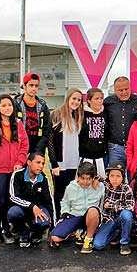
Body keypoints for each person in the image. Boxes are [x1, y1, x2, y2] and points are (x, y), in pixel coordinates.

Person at [0, 94, 29, 244]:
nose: (7, 108)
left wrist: (20, 161)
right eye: (3, 105)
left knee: (10, 200)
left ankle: (6, 229)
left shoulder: (18, 124)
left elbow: (24, 145)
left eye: (9, 105)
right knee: (0, 199)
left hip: (14, 168)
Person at [50, 162, 104, 253]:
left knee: (93, 210)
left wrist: (99, 179)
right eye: (82, 178)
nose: (85, 182)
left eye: (88, 179)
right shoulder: (71, 187)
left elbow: (111, 185)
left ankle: (88, 239)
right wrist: (65, 213)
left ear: (93, 178)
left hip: (91, 216)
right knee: (55, 238)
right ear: (77, 177)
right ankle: (78, 231)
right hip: (75, 215)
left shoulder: (99, 186)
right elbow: (65, 202)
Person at [48, 88, 84, 219]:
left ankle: (69, 221)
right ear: (68, 98)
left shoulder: (78, 116)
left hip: (74, 163)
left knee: (71, 193)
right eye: (74, 98)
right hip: (60, 163)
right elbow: (50, 141)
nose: (76, 102)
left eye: (79, 100)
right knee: (59, 194)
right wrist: (54, 163)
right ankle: (58, 219)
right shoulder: (56, 115)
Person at [8, 152, 53, 248]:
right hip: (21, 208)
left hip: (38, 210)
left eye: (43, 163)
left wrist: (53, 225)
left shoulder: (43, 178)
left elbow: (49, 201)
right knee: (13, 213)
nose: (41, 166)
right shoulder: (17, 175)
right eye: (38, 162)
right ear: (29, 162)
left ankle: (36, 232)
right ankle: (23, 231)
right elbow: (13, 197)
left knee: (45, 220)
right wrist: (32, 206)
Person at [93, 162, 134, 255]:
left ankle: (124, 243)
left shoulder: (126, 188)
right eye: (112, 176)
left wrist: (112, 205)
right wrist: (96, 180)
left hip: (120, 218)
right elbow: (98, 177)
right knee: (98, 245)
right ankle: (115, 233)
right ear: (108, 176)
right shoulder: (106, 184)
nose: (115, 179)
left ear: (123, 177)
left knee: (127, 214)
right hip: (108, 219)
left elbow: (130, 206)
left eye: (118, 176)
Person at [104, 76, 137, 166]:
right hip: (115, 148)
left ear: (130, 87)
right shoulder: (107, 102)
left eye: (126, 89)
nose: (124, 92)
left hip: (135, 148)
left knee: (134, 177)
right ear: (114, 90)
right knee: (115, 177)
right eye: (120, 90)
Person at [14, 72, 51, 154]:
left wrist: (38, 150)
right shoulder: (15, 105)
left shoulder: (43, 106)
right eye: (31, 85)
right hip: (19, 148)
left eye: (36, 86)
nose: (34, 88)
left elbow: (46, 130)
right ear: (24, 86)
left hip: (37, 149)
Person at [79, 87, 108, 177]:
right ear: (89, 100)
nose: (100, 101)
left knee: (100, 183)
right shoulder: (82, 114)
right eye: (96, 98)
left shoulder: (105, 113)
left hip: (101, 157)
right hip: (86, 156)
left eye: (101, 98)